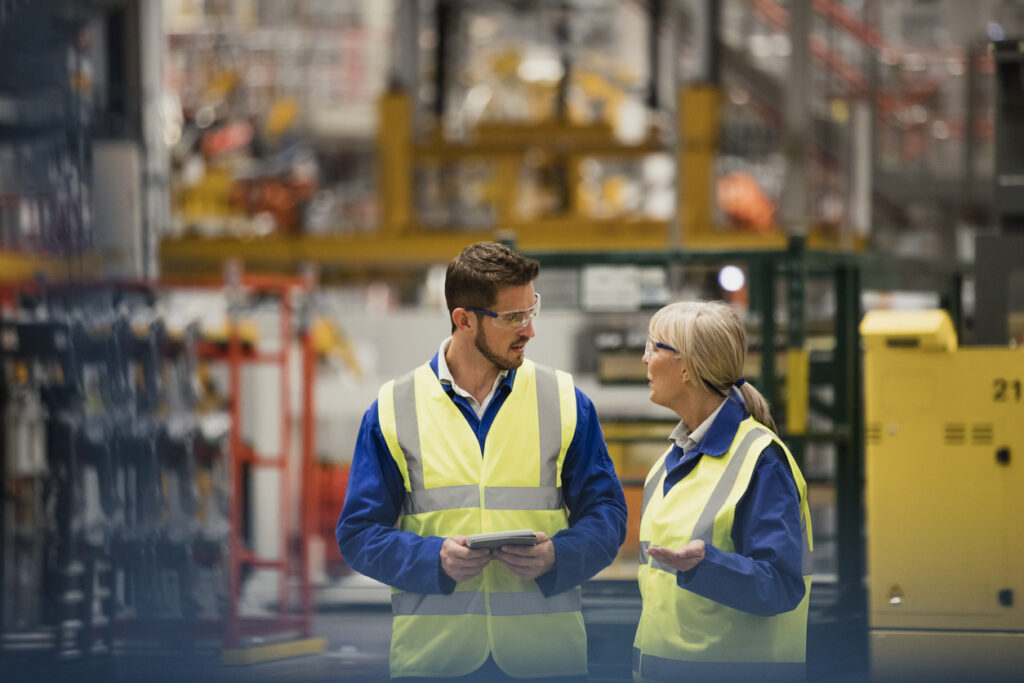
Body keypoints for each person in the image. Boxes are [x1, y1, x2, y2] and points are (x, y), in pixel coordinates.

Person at [337, 241, 628, 681]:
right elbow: (358, 534)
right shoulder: (393, 408)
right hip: (436, 662)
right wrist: (433, 559)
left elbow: (608, 514)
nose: (529, 330)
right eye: (513, 318)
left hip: (545, 660)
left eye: (532, 311)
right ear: (464, 320)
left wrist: (558, 556)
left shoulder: (565, 401)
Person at [632, 300, 813, 683]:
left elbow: (781, 584)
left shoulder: (762, 461)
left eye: (653, 347)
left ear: (687, 367)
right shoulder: (667, 464)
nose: (644, 358)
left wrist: (707, 566)